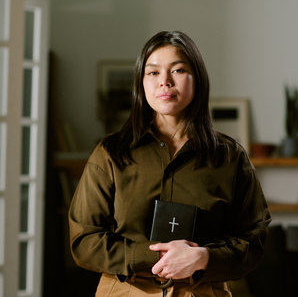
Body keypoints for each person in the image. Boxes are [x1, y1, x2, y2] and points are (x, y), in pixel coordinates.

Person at [69, 30, 271, 296]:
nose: (164, 82)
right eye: (153, 73)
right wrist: (153, 256)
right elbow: (84, 240)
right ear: (141, 82)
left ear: (197, 78)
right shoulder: (110, 153)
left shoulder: (230, 157)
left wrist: (203, 257)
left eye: (177, 70)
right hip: (125, 289)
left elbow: (254, 241)